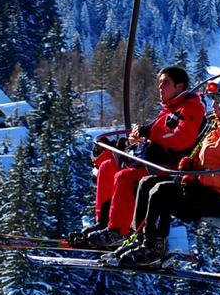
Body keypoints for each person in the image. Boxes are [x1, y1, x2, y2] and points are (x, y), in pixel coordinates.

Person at [109, 76, 220, 266]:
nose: (213, 106)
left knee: (162, 191)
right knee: (148, 183)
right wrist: (190, 166)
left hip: (216, 196)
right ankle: (140, 239)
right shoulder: (217, 126)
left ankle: (155, 247)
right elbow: (206, 160)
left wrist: (198, 178)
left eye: (217, 101)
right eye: (212, 100)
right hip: (201, 188)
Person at [74, 66, 205, 249]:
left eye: (165, 83)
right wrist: (139, 139)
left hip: (165, 166)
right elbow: (159, 135)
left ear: (179, 86)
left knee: (125, 177)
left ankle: (119, 231)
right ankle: (104, 222)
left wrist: (150, 132)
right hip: (150, 159)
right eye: (159, 83)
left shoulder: (190, 109)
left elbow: (181, 139)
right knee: (108, 167)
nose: (160, 87)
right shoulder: (169, 109)